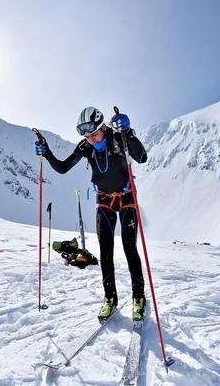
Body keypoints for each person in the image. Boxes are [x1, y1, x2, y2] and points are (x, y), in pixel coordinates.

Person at [34, 107, 148, 322]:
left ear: (103, 126)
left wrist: (130, 133)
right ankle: (110, 298)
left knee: (129, 249)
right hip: (103, 201)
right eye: (87, 136)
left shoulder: (119, 137)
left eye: (94, 134)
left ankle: (138, 297)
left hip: (127, 200)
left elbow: (141, 157)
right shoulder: (86, 145)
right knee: (105, 252)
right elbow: (63, 168)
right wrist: (47, 153)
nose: (92, 139)